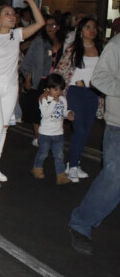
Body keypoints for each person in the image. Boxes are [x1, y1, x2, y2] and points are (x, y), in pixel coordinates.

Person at [0, 0, 46, 188]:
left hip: (10, 88)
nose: (12, 16)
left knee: (4, 127)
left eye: (13, 14)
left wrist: (31, 1)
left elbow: (40, 23)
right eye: (7, 13)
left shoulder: (16, 35)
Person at [68, 32, 120, 255]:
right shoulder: (118, 45)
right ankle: (81, 221)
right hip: (119, 125)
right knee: (114, 176)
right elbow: (99, 78)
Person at [54, 17, 103, 182]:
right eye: (88, 27)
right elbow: (61, 69)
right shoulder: (73, 48)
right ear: (80, 30)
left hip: (93, 94)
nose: (92, 30)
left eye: (94, 27)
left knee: (86, 131)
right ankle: (72, 166)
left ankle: (75, 163)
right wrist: (55, 92)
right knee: (80, 129)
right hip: (75, 92)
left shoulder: (101, 49)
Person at [20, 16, 64, 147]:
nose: (50, 28)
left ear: (58, 27)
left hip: (55, 80)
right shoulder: (39, 41)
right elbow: (29, 60)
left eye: (53, 25)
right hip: (40, 79)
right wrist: (28, 78)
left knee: (53, 108)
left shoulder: (61, 42)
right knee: (38, 109)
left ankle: (50, 135)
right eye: (47, 25)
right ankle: (37, 137)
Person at [31, 73, 74, 185]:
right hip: (45, 133)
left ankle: (61, 175)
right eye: (55, 89)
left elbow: (63, 112)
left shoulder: (63, 100)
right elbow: (45, 114)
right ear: (48, 89)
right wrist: (54, 102)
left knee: (59, 155)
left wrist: (68, 113)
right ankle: (37, 167)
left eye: (60, 89)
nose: (58, 92)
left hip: (58, 133)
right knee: (43, 153)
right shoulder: (44, 99)